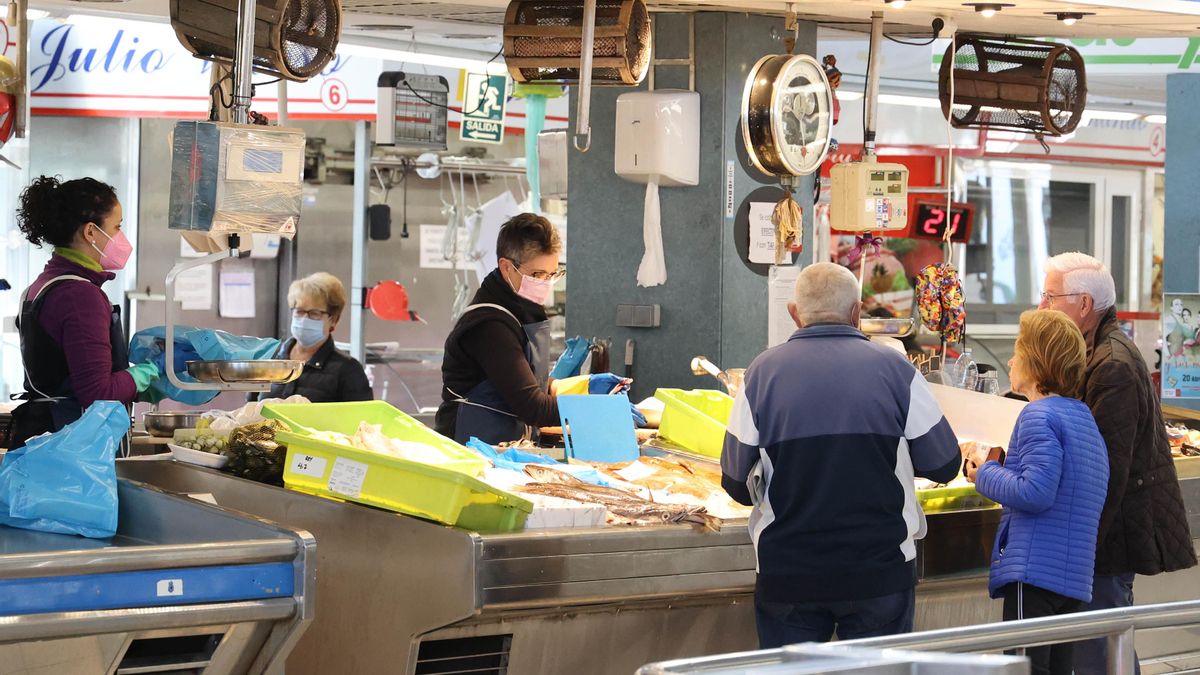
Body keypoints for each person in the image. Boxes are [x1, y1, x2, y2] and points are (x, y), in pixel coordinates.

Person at [721, 262, 961, 648]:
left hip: (789, 574)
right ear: (856, 311)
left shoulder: (760, 374)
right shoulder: (897, 371)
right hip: (879, 573)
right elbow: (945, 464)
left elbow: (734, 479)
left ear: (794, 313)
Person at [1039, 252, 1197, 674]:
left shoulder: (1112, 364)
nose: (1043, 306)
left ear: (1085, 305)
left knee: (1102, 655)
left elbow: (1105, 468)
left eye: (1050, 296)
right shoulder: (1095, 352)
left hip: (1112, 536)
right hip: (1106, 533)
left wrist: (1082, 547)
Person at [965, 310, 1109, 675]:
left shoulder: (1038, 415)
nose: (1011, 360)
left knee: (1026, 669)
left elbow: (1036, 491)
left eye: (1018, 350)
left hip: (1034, 572)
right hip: (1072, 577)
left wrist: (985, 471)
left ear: (1038, 361)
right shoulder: (1082, 416)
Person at [435, 213, 629, 445]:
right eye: (537, 275)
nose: (545, 283)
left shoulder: (519, 310)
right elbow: (532, 406)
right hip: (471, 448)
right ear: (506, 267)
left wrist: (583, 387)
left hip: (501, 444)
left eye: (552, 274)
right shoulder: (490, 325)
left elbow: (523, 380)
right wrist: (596, 409)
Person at [9, 175, 159, 447]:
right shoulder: (80, 296)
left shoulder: (42, 286)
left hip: (45, 439)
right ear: (91, 232)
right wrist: (146, 374)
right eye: (117, 227)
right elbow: (97, 393)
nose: (121, 238)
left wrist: (135, 383)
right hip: (70, 447)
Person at [256, 272, 372, 403]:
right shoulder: (269, 357)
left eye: (314, 313)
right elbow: (251, 408)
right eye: (299, 311)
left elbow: (362, 418)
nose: (304, 319)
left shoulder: (348, 370)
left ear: (333, 319)